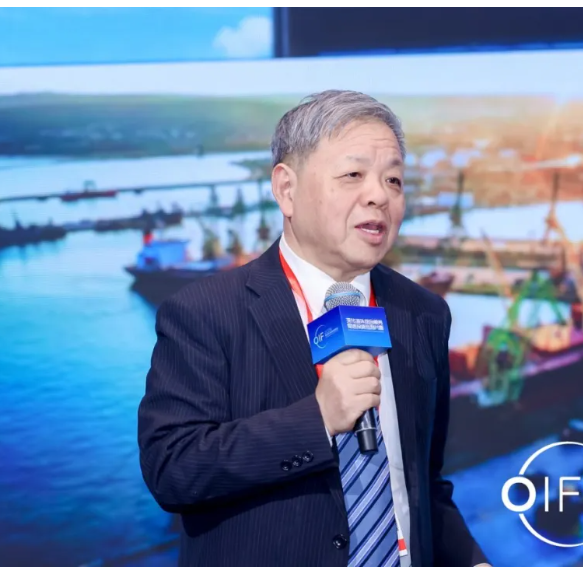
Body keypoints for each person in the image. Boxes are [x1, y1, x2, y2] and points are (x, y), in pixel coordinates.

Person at [138, 90, 489, 567]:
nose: (379, 195)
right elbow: (173, 469)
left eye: (394, 179)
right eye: (353, 175)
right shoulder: (204, 312)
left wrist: (473, 562)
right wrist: (317, 419)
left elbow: (422, 483)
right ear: (287, 189)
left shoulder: (423, 314)